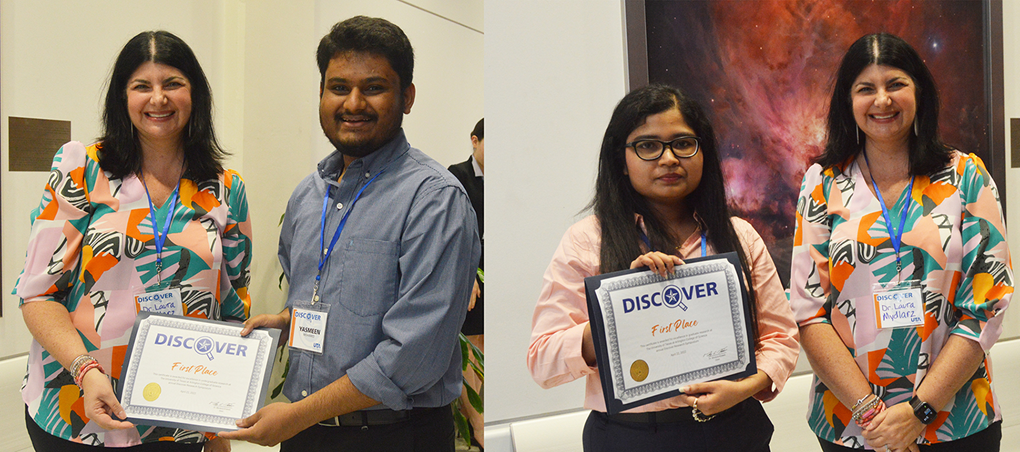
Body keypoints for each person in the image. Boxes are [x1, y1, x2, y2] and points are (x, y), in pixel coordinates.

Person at [218, 16, 480, 451]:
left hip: (394, 436)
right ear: (321, 93)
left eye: (373, 87)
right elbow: (328, 294)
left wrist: (296, 416)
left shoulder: (435, 199)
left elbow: (412, 356)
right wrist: (288, 321)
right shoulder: (309, 193)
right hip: (307, 433)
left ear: (407, 97)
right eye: (339, 87)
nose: (353, 103)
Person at [527, 84, 799, 452]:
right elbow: (543, 361)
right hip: (632, 437)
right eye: (648, 145)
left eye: (684, 143)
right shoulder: (587, 240)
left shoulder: (739, 236)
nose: (669, 158)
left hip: (734, 428)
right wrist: (622, 308)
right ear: (621, 160)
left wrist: (745, 388)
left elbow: (780, 338)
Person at [14, 31, 251, 451]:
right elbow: (38, 294)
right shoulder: (82, 169)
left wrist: (217, 422)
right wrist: (85, 370)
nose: (157, 98)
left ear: (194, 94)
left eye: (173, 84)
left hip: (179, 417)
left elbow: (232, 311)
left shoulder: (226, 188)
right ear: (122, 98)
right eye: (142, 86)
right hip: (77, 410)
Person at [790, 33, 1012, 452]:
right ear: (848, 101)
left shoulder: (966, 175)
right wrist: (874, 418)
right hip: (853, 426)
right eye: (865, 89)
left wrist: (918, 413)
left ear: (919, 91)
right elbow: (809, 312)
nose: (882, 101)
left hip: (957, 420)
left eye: (895, 84)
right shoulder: (822, 182)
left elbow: (986, 304)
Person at [447, 118, 484, 449]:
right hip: (473, 273)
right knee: (468, 349)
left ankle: (483, 417)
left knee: (485, 345)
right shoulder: (457, 174)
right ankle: (476, 423)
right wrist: (468, 273)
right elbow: (457, 231)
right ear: (475, 140)